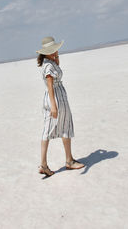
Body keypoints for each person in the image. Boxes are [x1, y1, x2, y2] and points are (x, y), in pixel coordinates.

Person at [36, 36, 85, 176]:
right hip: (56, 98)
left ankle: (49, 163)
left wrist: (56, 58)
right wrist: (54, 106)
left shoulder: (49, 62)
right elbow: (50, 86)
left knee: (55, 128)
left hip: (57, 98)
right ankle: (65, 161)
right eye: (53, 51)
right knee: (61, 127)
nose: (55, 52)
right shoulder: (49, 66)